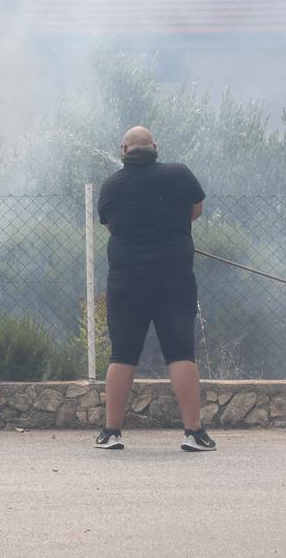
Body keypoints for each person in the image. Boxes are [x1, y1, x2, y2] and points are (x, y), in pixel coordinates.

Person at [92, 126, 217, 452]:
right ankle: (194, 433)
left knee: (122, 354)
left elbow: (111, 225)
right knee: (180, 353)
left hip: (126, 282)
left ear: (123, 150)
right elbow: (195, 211)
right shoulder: (180, 175)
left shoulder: (111, 185)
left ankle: (111, 432)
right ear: (155, 147)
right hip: (174, 280)